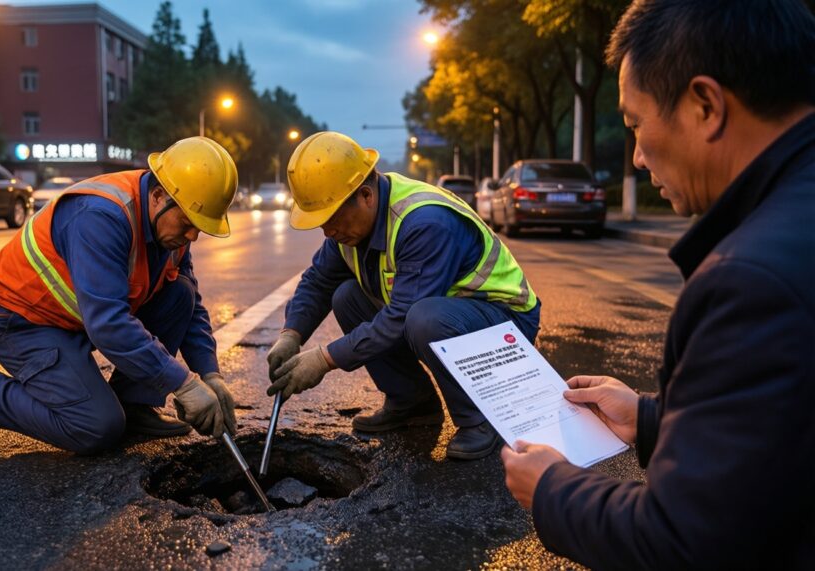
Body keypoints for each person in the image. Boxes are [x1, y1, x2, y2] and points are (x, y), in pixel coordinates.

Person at [500, 1, 815, 568]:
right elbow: (784, 429)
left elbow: (686, 542)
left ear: (704, 105)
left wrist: (552, 490)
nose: (639, 157)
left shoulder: (751, 281)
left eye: (635, 125)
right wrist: (650, 418)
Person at [0, 136, 240, 455]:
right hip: (19, 319)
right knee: (96, 427)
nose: (192, 235)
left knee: (180, 294)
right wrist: (183, 384)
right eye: (187, 223)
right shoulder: (101, 216)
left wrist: (210, 374)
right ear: (158, 196)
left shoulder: (171, 225)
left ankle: (134, 404)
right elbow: (108, 325)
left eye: (198, 226)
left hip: (73, 319)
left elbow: (190, 307)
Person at [267, 131, 541, 460]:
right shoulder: (350, 227)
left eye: (332, 219)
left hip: (505, 324)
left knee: (424, 319)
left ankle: (481, 419)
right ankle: (412, 403)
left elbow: (400, 317)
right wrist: (291, 333)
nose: (328, 232)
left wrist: (324, 359)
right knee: (346, 296)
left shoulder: (424, 222)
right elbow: (318, 281)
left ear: (366, 196)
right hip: (459, 318)